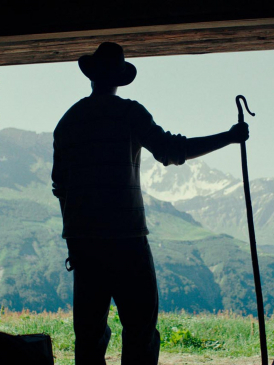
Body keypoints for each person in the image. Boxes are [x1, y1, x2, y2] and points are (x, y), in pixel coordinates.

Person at [51, 42, 249, 365]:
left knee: (88, 338)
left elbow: (61, 187)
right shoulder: (129, 114)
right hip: (128, 242)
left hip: (85, 245)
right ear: (118, 79)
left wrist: (74, 239)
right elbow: (172, 150)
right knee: (141, 333)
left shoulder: (68, 123)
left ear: (91, 78)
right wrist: (227, 137)